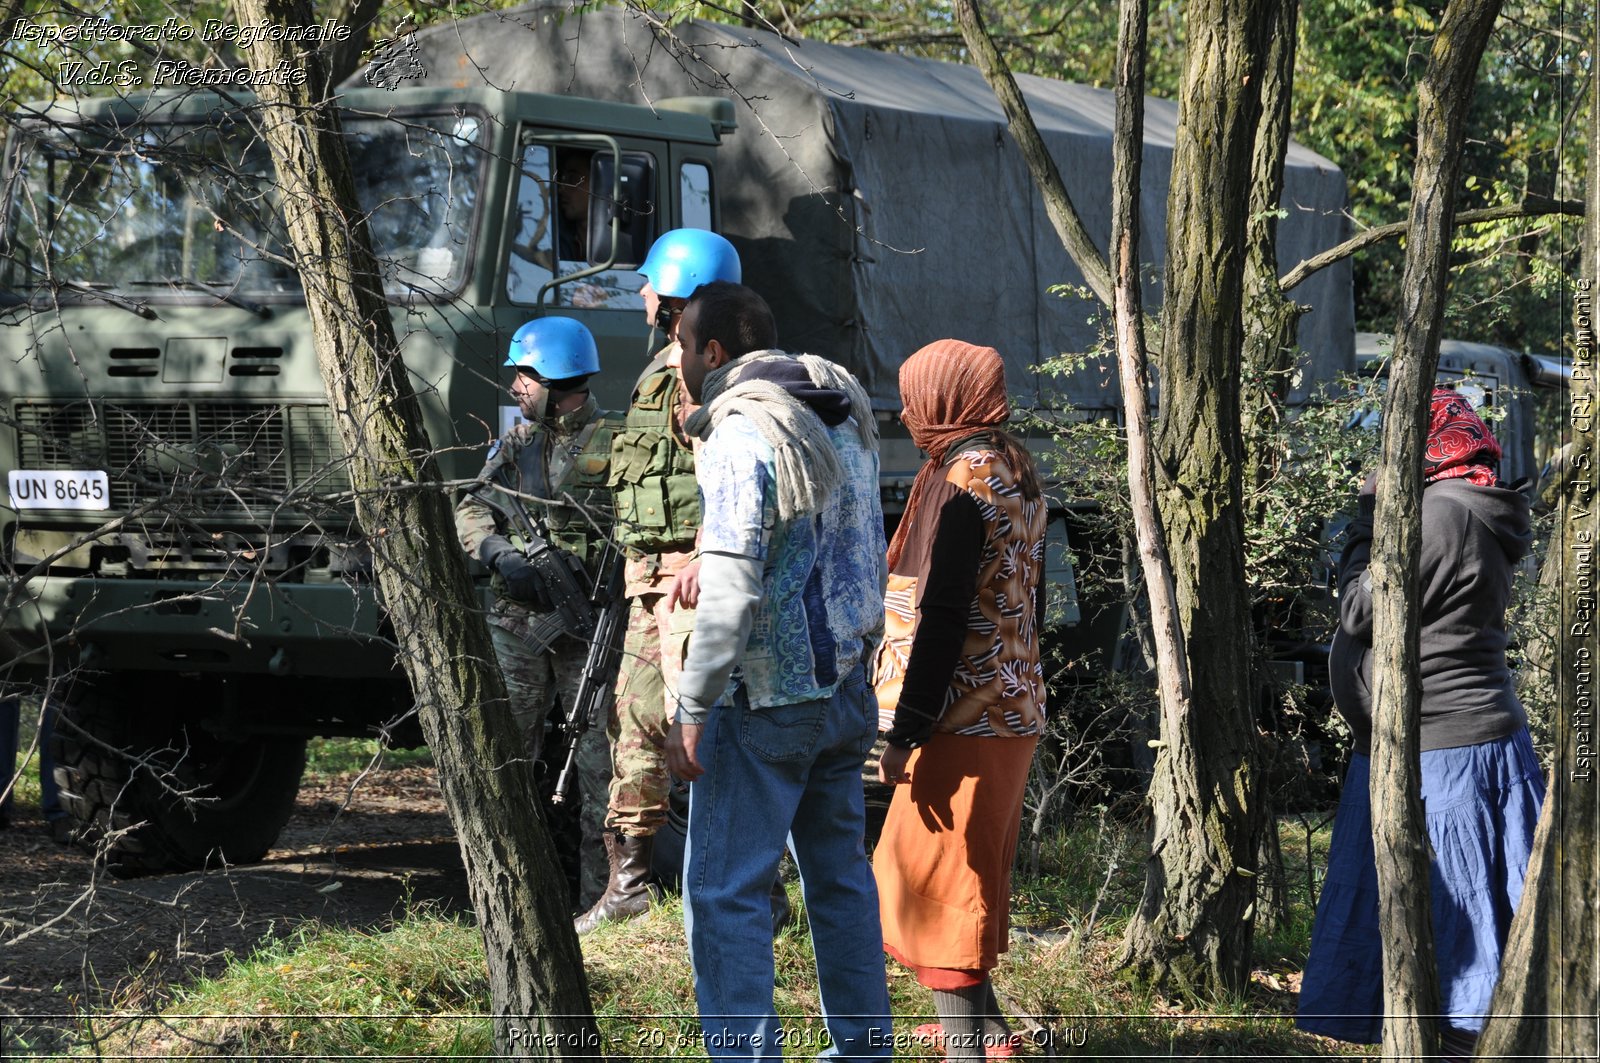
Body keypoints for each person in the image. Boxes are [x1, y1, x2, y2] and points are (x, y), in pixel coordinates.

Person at [664, 281, 893, 1060]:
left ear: (714, 352)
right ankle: (865, 1053)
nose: (678, 360)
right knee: (840, 881)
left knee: (725, 896)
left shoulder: (742, 430)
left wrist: (691, 711)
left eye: (683, 346)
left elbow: (728, 596)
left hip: (769, 701)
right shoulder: (839, 405)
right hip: (845, 687)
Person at [1296, 387, 1546, 1062]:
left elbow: (1361, 609)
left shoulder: (1438, 515)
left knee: (1457, 949)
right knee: (1447, 936)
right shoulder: (1469, 503)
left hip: (1441, 756)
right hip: (1442, 745)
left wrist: (1370, 516)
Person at [871, 340, 1046, 1063]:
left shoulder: (960, 483)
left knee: (937, 887)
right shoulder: (1010, 462)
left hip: (960, 716)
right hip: (1012, 707)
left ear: (945, 400)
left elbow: (942, 616)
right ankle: (989, 1030)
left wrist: (905, 731)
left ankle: (966, 1047)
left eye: (916, 397)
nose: (908, 411)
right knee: (961, 877)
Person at [576, 228, 748, 934]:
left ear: (679, 296)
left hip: (690, 581)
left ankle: (752, 888)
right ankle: (630, 887)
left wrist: (710, 555)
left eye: (652, 284)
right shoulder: (664, 364)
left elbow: (731, 475)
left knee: (703, 733)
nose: (641, 293)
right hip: (647, 579)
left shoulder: (705, 374)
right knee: (637, 722)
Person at [455, 315, 619, 910]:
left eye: (523, 375)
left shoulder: (617, 442)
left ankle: (603, 904)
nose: (515, 386)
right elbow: (471, 510)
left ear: (553, 376)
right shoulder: (517, 444)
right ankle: (507, 904)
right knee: (502, 759)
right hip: (519, 626)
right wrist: (498, 553)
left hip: (591, 631)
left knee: (601, 774)